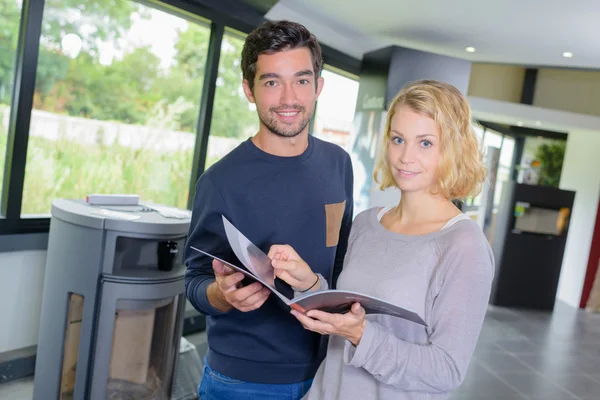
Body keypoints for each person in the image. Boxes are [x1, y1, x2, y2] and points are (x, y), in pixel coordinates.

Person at [269, 79, 494, 399]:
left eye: (425, 143)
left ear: (453, 149)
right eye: (398, 139)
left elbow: (446, 370)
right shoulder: (367, 222)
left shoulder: (463, 245)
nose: (405, 156)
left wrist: (361, 336)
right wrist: (308, 284)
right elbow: (349, 310)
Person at [183, 20, 354, 399]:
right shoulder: (219, 182)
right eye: (272, 82)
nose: (289, 98)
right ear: (249, 90)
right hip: (244, 382)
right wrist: (221, 295)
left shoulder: (339, 164)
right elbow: (193, 280)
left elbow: (340, 261)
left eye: (302, 80)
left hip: (330, 372)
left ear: (318, 86)